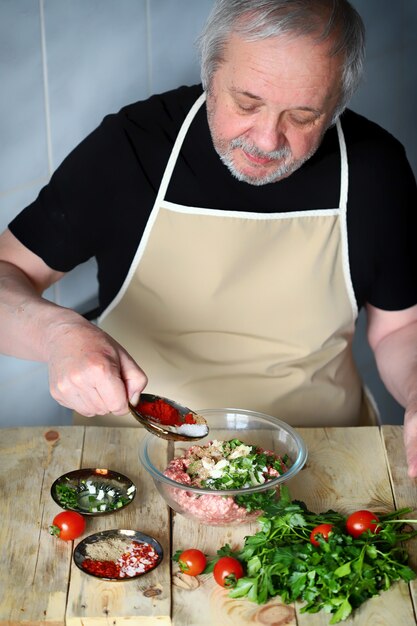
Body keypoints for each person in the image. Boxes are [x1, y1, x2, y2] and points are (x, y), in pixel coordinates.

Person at [1, 0, 417, 473]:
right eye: (247, 103)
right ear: (210, 72)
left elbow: (402, 327)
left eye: (302, 117)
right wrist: (57, 334)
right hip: (134, 458)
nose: (266, 140)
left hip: (322, 457)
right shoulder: (132, 147)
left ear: (336, 104)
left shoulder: (375, 170)